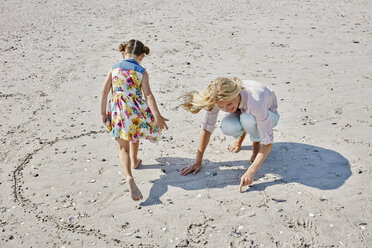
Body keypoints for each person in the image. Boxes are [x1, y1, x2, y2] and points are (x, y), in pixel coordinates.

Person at [179, 77, 279, 192]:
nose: (226, 109)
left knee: (248, 119)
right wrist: (198, 161)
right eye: (221, 107)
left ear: (236, 93)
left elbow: (268, 143)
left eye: (229, 104)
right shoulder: (217, 99)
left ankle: (255, 146)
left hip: (269, 113)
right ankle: (241, 137)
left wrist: (250, 172)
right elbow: (207, 128)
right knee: (228, 126)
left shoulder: (255, 100)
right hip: (243, 111)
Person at [100, 39, 168, 201]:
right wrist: (157, 115)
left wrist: (103, 112)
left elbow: (103, 93)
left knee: (122, 147)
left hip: (118, 110)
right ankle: (135, 160)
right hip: (135, 110)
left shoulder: (114, 69)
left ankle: (129, 177)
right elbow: (148, 95)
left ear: (123, 54)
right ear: (142, 56)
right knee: (134, 134)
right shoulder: (141, 71)